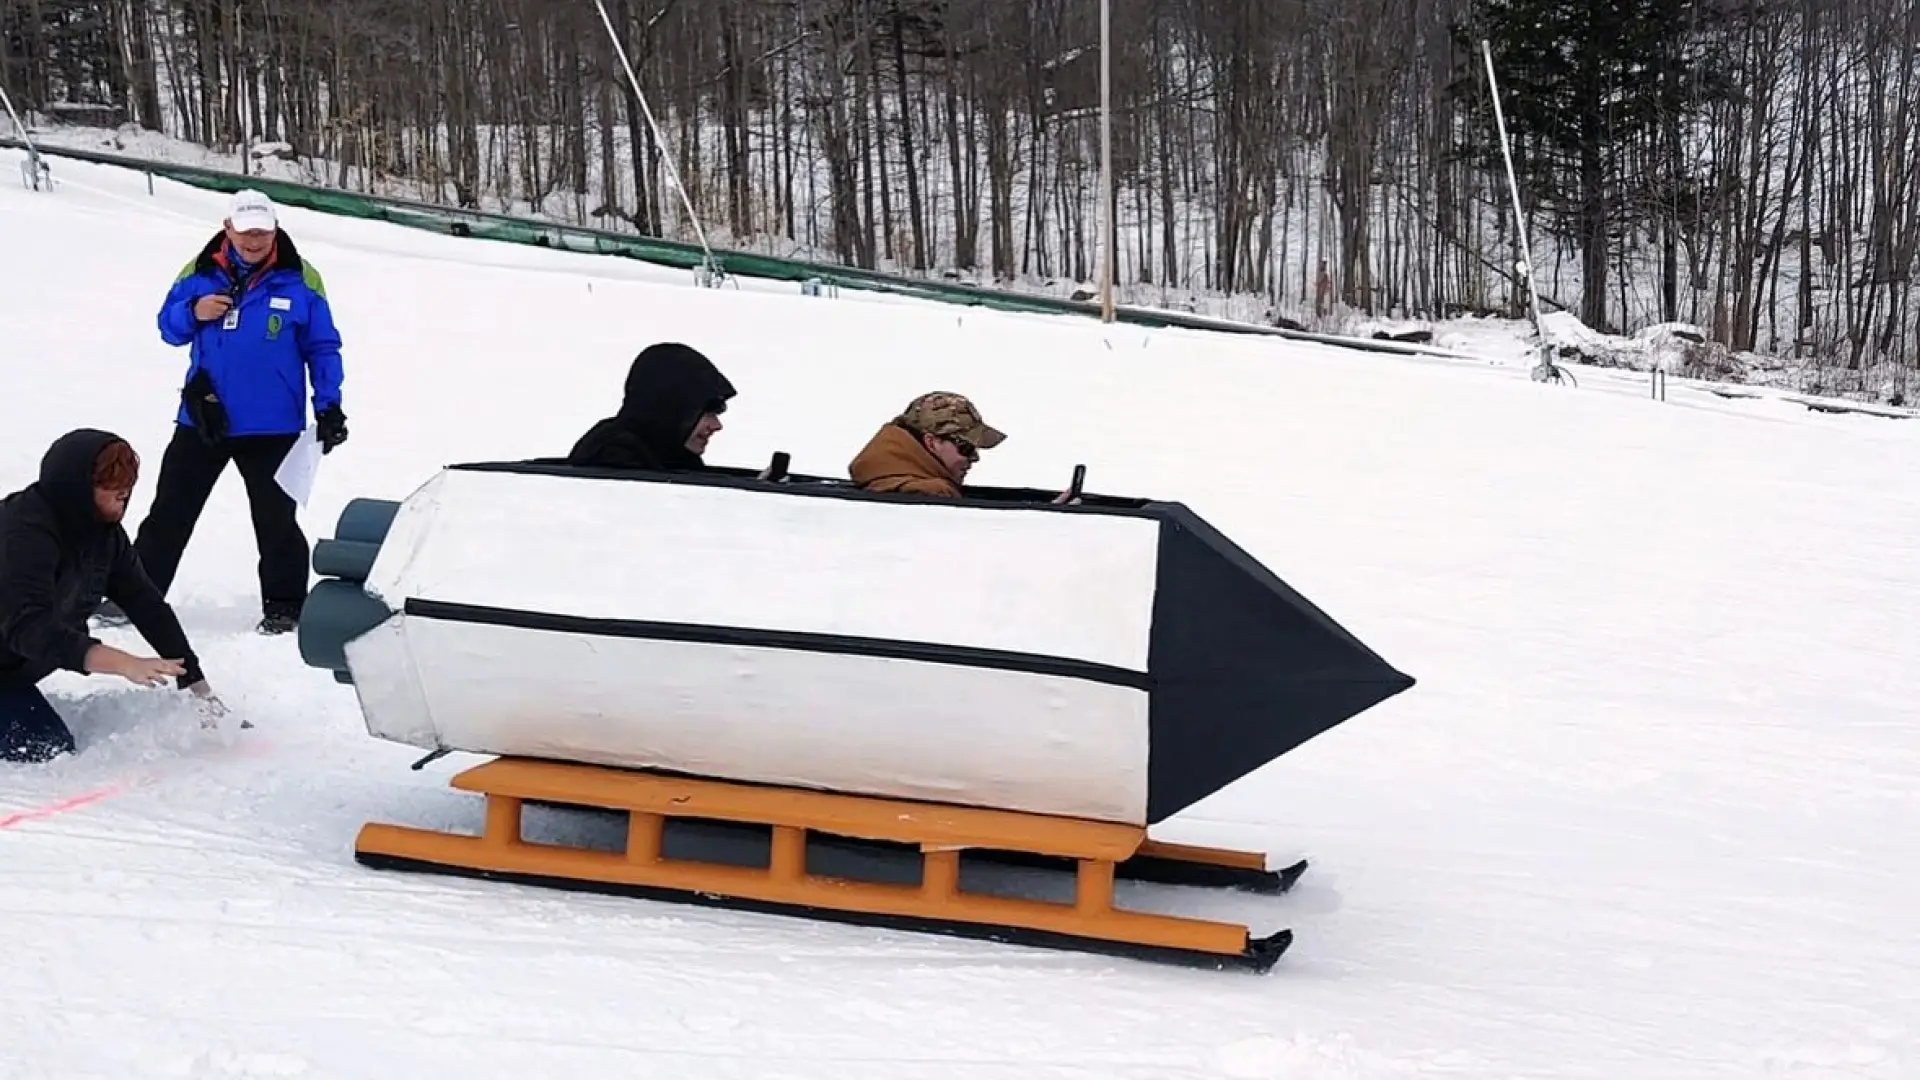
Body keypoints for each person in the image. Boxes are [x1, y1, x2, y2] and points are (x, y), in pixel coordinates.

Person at [101, 189, 348, 637]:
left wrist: (329, 406)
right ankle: (133, 596)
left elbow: (322, 346)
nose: (254, 240)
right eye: (245, 231)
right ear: (227, 228)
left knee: (276, 520)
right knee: (170, 512)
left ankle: (286, 606)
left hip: (274, 425)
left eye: (262, 231)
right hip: (204, 419)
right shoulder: (199, 272)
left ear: (275, 230)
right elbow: (167, 328)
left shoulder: (302, 279)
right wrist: (192, 311)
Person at [1, 430, 221, 764]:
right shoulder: (23, 533)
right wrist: (122, 663)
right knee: (45, 751)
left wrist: (199, 688)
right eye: (112, 488)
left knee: (48, 745)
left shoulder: (104, 535)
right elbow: (29, 626)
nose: (124, 496)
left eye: (127, 489)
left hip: (9, 669)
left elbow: (146, 604)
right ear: (75, 489)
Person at [567, 342, 736, 471]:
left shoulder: (671, 454)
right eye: (707, 411)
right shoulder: (615, 457)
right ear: (672, 408)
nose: (716, 425)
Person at [848, 392, 1007, 498]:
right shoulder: (930, 492)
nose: (974, 458)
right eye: (965, 448)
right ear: (931, 443)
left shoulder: (878, 477)